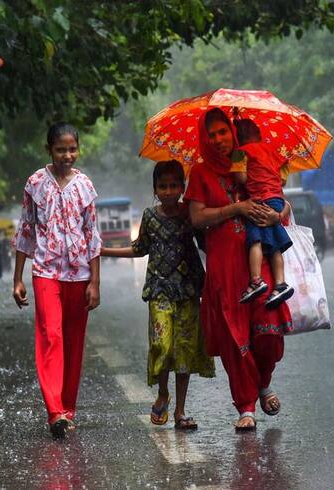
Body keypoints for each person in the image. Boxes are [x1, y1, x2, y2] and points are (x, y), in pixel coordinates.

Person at [185, 108, 292, 431]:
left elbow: (281, 202)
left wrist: (278, 215)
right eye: (212, 134)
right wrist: (236, 207)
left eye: (223, 132)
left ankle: (263, 382)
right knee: (236, 337)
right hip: (225, 267)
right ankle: (245, 405)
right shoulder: (201, 174)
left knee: (269, 329)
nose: (219, 140)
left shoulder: (251, 160)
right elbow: (197, 218)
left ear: (234, 132)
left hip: (258, 266)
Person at [101, 160, 215, 430]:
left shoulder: (191, 214)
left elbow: (208, 244)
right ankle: (163, 393)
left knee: (185, 350)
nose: (168, 191)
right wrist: (104, 251)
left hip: (188, 290)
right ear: (155, 189)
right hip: (159, 291)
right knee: (161, 345)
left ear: (182, 188)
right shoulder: (150, 217)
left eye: (174, 185)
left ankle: (180, 411)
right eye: (162, 186)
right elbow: (139, 249)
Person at [12, 122, 102, 438]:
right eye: (61, 149)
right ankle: (54, 411)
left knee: (74, 341)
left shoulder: (86, 187)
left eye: (72, 149)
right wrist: (17, 279)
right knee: (52, 335)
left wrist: (95, 282)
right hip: (45, 271)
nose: (67, 155)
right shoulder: (35, 183)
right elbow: (25, 230)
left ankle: (68, 408)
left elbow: (92, 235)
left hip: (79, 273)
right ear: (49, 149)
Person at [231, 118, 293, 308]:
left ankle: (256, 280)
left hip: (259, 201)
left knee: (255, 241)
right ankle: (280, 283)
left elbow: (241, 177)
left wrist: (236, 166)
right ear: (259, 135)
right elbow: (282, 181)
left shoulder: (240, 152)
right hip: (277, 201)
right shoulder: (274, 152)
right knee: (274, 246)